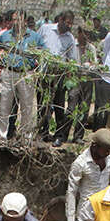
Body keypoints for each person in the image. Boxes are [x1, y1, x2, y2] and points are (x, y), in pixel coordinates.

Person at [0, 11, 44, 141]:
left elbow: (44, 54)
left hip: (26, 73)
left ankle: (26, 137)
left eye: (19, 20)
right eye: (14, 20)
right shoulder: (5, 36)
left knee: (27, 107)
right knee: (4, 105)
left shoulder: (34, 37)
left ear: (25, 21)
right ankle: (1, 137)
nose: (16, 22)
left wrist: (37, 70)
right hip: (9, 73)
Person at [38, 10, 79, 146]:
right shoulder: (45, 29)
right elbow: (36, 46)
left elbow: (72, 59)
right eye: (67, 23)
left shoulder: (70, 38)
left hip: (59, 76)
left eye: (71, 24)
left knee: (58, 105)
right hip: (44, 74)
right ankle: (43, 133)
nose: (69, 26)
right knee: (43, 104)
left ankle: (59, 135)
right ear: (60, 20)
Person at [65, 128, 110, 221]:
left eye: (109, 150)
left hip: (105, 212)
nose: (108, 153)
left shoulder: (109, 160)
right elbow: (71, 191)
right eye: (105, 150)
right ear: (95, 146)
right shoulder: (80, 163)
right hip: (86, 214)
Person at [67, 26, 99, 142]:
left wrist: (90, 65)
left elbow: (95, 64)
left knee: (84, 109)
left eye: (88, 34)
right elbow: (68, 61)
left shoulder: (91, 48)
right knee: (71, 107)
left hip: (88, 80)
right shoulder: (72, 46)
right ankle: (62, 135)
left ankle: (78, 136)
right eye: (84, 33)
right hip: (75, 79)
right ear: (79, 33)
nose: (86, 37)